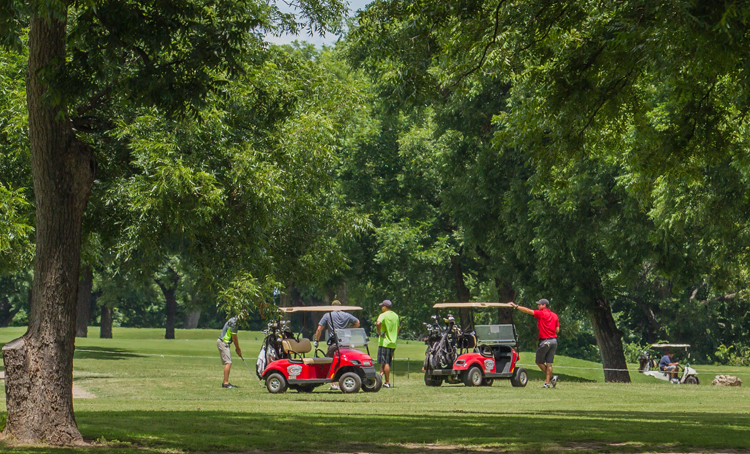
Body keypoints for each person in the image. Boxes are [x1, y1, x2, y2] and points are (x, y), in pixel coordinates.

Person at [511, 299, 560, 388]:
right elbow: (557, 330)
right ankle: (547, 383)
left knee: (539, 362)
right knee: (549, 363)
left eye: (539, 304)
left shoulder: (541, 314)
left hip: (545, 341)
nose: (538, 306)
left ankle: (552, 378)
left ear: (544, 305)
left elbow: (528, 311)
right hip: (554, 341)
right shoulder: (555, 315)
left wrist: (516, 306)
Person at [376, 299, 399, 388]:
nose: (381, 308)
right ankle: (380, 377)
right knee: (386, 361)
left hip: (385, 342)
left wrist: (379, 333)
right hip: (393, 342)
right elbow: (398, 328)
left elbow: (378, 323)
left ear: (385, 307)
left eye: (382, 306)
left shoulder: (383, 315)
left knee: (385, 362)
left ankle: (387, 382)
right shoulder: (396, 316)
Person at [217, 316, 242, 388]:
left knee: (228, 362)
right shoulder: (234, 322)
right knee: (228, 362)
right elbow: (234, 337)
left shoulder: (233, 320)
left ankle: (225, 382)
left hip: (224, 343)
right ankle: (225, 383)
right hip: (223, 342)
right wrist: (238, 349)